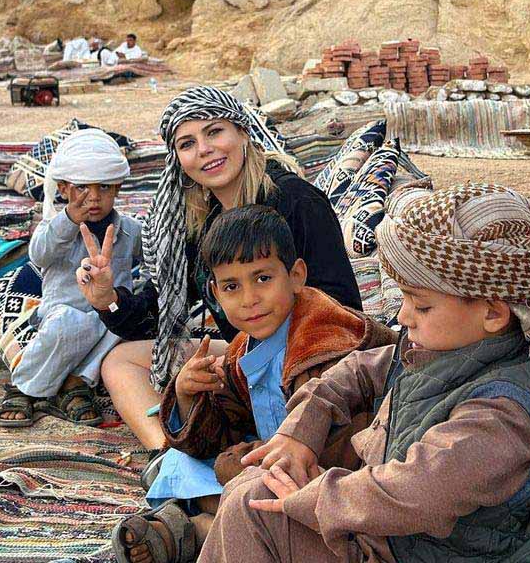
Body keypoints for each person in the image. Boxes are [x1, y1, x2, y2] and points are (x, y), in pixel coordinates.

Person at [199, 181, 530, 563]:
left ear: (494, 313)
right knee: (252, 488)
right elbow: (356, 372)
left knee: (253, 506)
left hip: (417, 548)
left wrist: (314, 498)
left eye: (421, 305)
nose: (403, 316)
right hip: (397, 538)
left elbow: (414, 491)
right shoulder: (439, 348)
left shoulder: (503, 413)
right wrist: (299, 432)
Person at [76, 85, 361, 461]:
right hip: (244, 349)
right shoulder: (198, 220)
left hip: (307, 356)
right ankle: (164, 454)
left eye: (214, 132)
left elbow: (343, 309)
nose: (204, 150)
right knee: (121, 360)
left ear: (242, 132)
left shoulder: (296, 202)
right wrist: (107, 299)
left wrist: (256, 358)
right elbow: (161, 317)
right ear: (179, 159)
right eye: (187, 143)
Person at [112, 206, 394, 563]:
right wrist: (187, 395)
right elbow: (224, 430)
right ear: (215, 291)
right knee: (177, 463)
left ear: (296, 276)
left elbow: (330, 452)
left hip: (332, 478)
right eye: (232, 286)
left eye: (262, 278)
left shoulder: (324, 344)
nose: (249, 299)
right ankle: (196, 524)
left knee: (250, 492)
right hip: (271, 461)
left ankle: (191, 529)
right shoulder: (242, 348)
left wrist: (238, 462)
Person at [0, 129, 142, 429]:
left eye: (104, 187)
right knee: (67, 323)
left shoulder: (129, 230)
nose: (93, 197)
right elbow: (38, 255)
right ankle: (26, 388)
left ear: (117, 188)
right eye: (81, 188)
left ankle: (73, 384)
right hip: (63, 315)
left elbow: (151, 259)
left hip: (108, 315)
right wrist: (68, 222)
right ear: (63, 189)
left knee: (129, 323)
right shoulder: (55, 227)